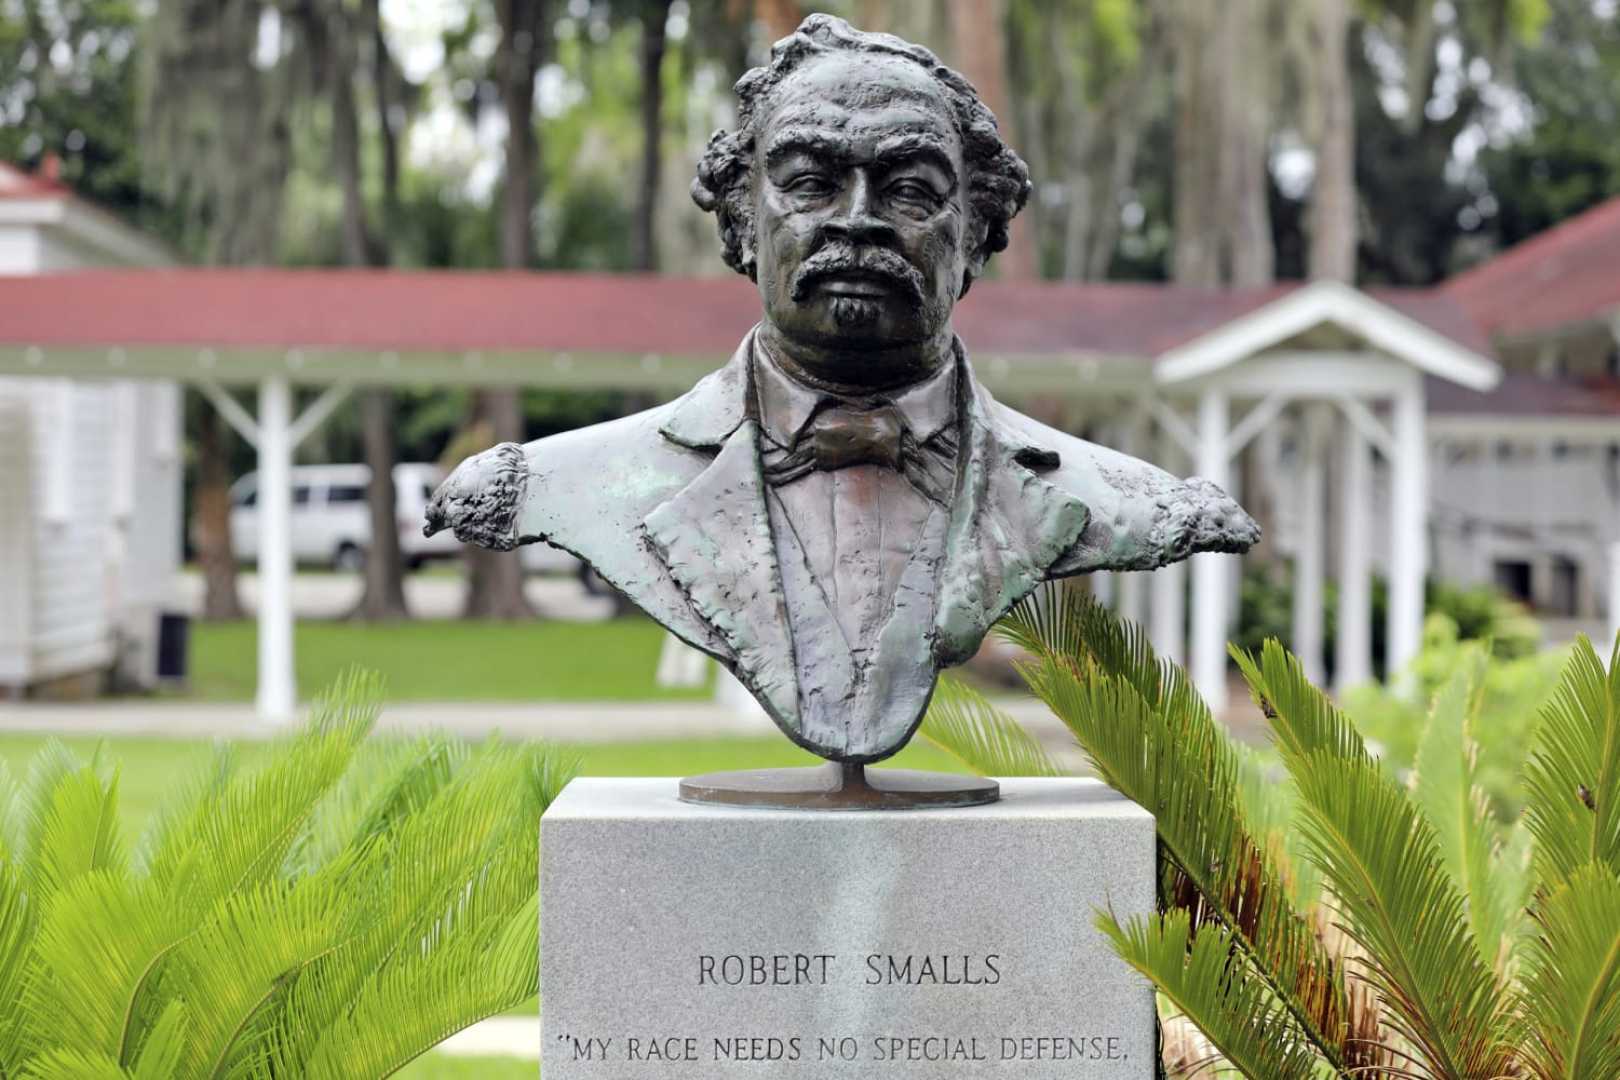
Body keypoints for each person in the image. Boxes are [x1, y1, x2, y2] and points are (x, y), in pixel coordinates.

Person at [426, 15, 1259, 764]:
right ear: (743, 221)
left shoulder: (1125, 499)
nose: (858, 218)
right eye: (810, 180)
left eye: (910, 190)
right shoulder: (554, 485)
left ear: (975, 234)